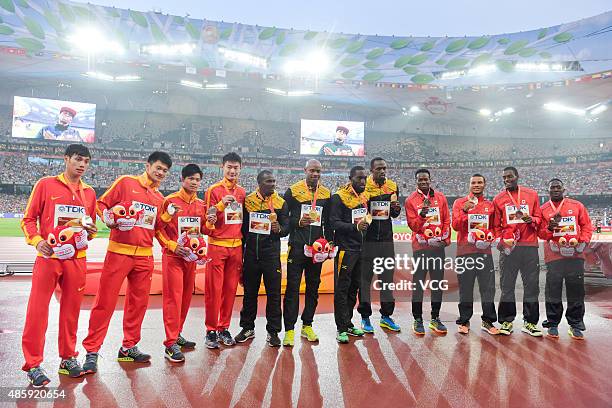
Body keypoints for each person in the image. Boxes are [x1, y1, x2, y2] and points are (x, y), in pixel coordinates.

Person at [82, 151, 175, 373]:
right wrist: (109, 220)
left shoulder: (160, 199)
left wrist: (167, 217)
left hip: (144, 256)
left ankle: (129, 347)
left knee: (138, 303)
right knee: (105, 301)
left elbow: (157, 229)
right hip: (119, 253)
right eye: (158, 168)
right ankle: (92, 350)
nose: (160, 173)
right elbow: (101, 204)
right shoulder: (126, 182)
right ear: (148, 165)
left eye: (164, 171)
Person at [20, 144, 98, 387]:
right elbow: (28, 219)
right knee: (37, 311)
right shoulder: (46, 185)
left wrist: (91, 232)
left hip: (77, 260)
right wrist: (37, 240)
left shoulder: (90, 193)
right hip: (49, 259)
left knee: (71, 311)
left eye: (86, 161)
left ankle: (67, 359)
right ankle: (33, 364)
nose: (82, 164)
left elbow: (89, 226)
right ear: (66, 159)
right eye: (78, 159)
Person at [156, 164, 206, 362]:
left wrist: (210, 220)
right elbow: (157, 228)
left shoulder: (200, 204)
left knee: (185, 299)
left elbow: (205, 230)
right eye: (190, 179)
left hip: (191, 259)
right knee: (173, 299)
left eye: (197, 179)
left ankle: (177, 334)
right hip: (174, 257)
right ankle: (170, 343)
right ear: (182, 180)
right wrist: (171, 245)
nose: (194, 183)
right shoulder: (169, 201)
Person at [235, 171, 290, 347]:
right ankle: (247, 328)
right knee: (249, 294)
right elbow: (242, 229)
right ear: (259, 182)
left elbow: (287, 229)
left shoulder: (281, 203)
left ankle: (273, 331)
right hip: (251, 255)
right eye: (268, 181)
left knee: (274, 295)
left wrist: (279, 229)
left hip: (271, 256)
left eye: (274, 181)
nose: (272, 184)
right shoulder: (248, 201)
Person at [281, 159, 332, 346]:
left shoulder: (326, 193)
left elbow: (328, 222)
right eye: (312, 171)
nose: (315, 174)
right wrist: (297, 223)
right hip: (297, 248)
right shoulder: (293, 191)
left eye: (318, 171)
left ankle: (307, 325)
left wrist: (329, 243)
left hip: (317, 250)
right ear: (305, 170)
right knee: (292, 289)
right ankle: (289, 330)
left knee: (313, 288)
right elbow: (283, 218)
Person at [538, 178, 593, 340]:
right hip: (554, 256)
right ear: (548, 191)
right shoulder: (543, 209)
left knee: (576, 290)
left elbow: (587, 226)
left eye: (558, 187)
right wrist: (549, 228)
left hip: (575, 254)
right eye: (552, 188)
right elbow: (540, 233)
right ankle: (553, 323)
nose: (555, 190)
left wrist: (582, 241)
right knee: (553, 290)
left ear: (564, 189)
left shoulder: (577, 206)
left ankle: (575, 324)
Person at [493, 166, 543, 336]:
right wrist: (502, 243)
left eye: (510, 176)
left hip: (529, 246)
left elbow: (539, 218)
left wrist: (532, 220)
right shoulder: (498, 199)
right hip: (509, 249)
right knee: (507, 286)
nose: (507, 180)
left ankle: (530, 322)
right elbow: (496, 226)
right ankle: (506, 321)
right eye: (504, 177)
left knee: (531, 286)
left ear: (517, 176)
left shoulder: (532, 195)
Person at [202, 152, 246, 349]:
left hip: (236, 247)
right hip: (217, 245)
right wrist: (220, 205)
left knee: (230, 290)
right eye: (229, 167)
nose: (232, 171)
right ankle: (210, 329)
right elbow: (208, 217)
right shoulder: (213, 190)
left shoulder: (243, 193)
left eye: (236, 168)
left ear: (240, 169)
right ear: (223, 167)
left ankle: (224, 327)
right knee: (214, 290)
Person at [404, 168, 450, 335]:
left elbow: (446, 220)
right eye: (420, 180)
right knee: (419, 285)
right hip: (421, 249)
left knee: (437, 284)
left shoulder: (440, 197)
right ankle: (417, 319)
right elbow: (413, 226)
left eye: (426, 179)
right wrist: (422, 216)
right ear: (416, 181)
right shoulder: (410, 200)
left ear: (430, 180)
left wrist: (444, 241)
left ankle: (435, 318)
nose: (423, 182)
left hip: (437, 248)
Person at [451, 174, 499, 335]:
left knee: (488, 288)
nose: (476, 185)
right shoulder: (459, 203)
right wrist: (465, 211)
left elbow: (495, 228)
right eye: (473, 182)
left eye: (479, 182)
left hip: (484, 253)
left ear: (484, 184)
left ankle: (488, 321)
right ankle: (464, 321)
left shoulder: (490, 205)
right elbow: (456, 226)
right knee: (466, 288)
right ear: (469, 185)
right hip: (465, 253)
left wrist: (488, 239)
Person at [359, 157, 402, 333]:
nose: (382, 171)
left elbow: (394, 214)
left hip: (386, 241)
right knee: (365, 281)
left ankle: (386, 316)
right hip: (367, 241)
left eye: (384, 168)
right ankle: (365, 317)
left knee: (387, 280)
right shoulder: (364, 186)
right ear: (371, 170)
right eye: (378, 169)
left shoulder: (392, 186)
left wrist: (396, 209)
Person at [329, 166, 369, 343]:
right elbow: (334, 223)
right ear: (350, 178)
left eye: (364, 179)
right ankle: (340, 328)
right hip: (345, 250)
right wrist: (355, 227)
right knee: (342, 289)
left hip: (361, 250)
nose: (362, 182)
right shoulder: (339, 197)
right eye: (359, 178)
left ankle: (348, 322)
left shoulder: (363, 197)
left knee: (355, 287)